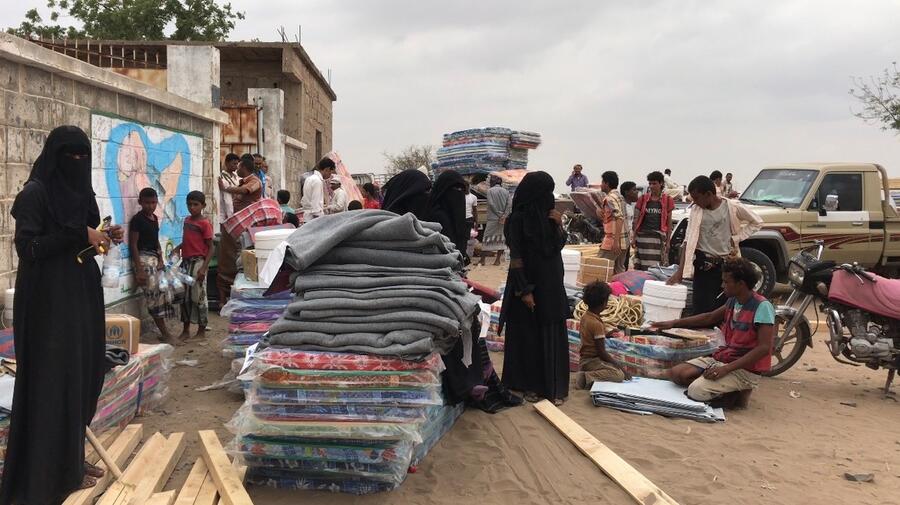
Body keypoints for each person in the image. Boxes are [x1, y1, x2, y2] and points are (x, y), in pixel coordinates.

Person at [0, 125, 124, 505]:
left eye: (83, 155)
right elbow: (30, 249)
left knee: (84, 375)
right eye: (70, 155)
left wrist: (104, 237)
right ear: (54, 157)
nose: (77, 162)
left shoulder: (83, 192)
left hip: (82, 297)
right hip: (48, 305)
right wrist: (80, 235)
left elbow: (86, 240)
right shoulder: (34, 194)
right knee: (53, 381)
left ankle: (72, 461)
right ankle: (50, 471)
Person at [653, 258, 774, 409]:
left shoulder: (762, 307)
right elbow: (709, 317)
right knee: (676, 374)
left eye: (726, 282)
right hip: (726, 359)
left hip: (745, 368)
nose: (722, 285)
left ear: (741, 284)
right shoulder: (734, 301)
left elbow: (764, 348)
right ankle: (724, 388)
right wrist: (674, 323)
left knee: (696, 391)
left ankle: (737, 392)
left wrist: (725, 369)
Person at [500, 171, 570, 405]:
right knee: (528, 337)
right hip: (527, 285)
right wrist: (524, 290)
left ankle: (551, 388)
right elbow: (516, 258)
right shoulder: (517, 219)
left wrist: (559, 225)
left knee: (550, 333)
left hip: (551, 286)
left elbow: (556, 246)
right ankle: (528, 385)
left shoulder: (549, 217)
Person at [667, 176, 763, 314]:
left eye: (697, 198)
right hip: (703, 267)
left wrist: (737, 238)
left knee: (723, 309)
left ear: (708, 194)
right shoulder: (696, 211)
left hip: (725, 267)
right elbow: (688, 242)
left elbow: (757, 222)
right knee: (701, 309)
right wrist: (680, 272)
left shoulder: (732, 207)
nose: (694, 202)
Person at [129, 187, 174, 342]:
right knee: (154, 297)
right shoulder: (137, 220)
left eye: (154, 203)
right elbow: (133, 245)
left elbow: (155, 241)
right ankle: (165, 333)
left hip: (155, 259)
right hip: (144, 260)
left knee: (162, 293)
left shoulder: (154, 218)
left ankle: (165, 332)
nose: (151, 206)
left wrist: (161, 259)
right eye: (147, 203)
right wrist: (139, 270)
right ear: (140, 202)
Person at [217, 157, 262, 303]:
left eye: (239, 165)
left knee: (241, 260)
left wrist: (226, 188)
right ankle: (225, 298)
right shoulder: (239, 180)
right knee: (228, 259)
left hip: (245, 227)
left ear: (244, 168)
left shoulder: (254, 181)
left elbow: (244, 190)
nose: (237, 168)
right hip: (235, 225)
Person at [174, 191, 214, 343]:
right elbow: (188, 240)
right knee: (184, 297)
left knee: (198, 297)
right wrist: (178, 247)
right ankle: (185, 330)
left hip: (198, 263)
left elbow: (211, 248)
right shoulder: (187, 221)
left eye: (195, 205)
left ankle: (201, 330)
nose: (192, 207)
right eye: (189, 204)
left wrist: (203, 268)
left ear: (203, 206)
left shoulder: (205, 224)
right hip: (186, 263)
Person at [575, 281, 630, 389]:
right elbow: (602, 353)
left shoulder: (586, 316)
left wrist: (606, 335)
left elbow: (591, 338)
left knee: (613, 367)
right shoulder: (596, 323)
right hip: (591, 360)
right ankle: (586, 377)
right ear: (603, 303)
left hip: (584, 359)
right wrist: (620, 367)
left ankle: (587, 373)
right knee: (618, 374)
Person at [632, 171, 676, 270]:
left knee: (656, 268)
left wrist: (668, 242)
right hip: (642, 238)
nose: (651, 186)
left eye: (654, 183)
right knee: (641, 267)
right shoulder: (643, 199)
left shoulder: (668, 200)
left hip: (658, 239)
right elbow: (636, 220)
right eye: (650, 183)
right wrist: (634, 237)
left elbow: (669, 223)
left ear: (661, 183)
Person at [425, 170, 470, 263]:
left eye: (461, 189)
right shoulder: (436, 216)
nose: (459, 193)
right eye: (455, 188)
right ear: (443, 190)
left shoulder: (454, 216)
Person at [597, 171, 627, 275]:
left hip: (612, 241)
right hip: (624, 241)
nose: (601, 185)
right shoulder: (620, 196)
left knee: (599, 269)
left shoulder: (609, 199)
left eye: (602, 182)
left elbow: (619, 218)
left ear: (607, 183)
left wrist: (615, 242)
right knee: (618, 272)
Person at [481, 174, 511, 266]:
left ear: (492, 182)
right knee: (501, 238)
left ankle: (482, 260)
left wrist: (498, 214)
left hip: (492, 218)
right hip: (503, 219)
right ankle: (497, 260)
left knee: (487, 238)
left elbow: (491, 204)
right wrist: (504, 215)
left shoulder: (490, 191)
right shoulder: (506, 191)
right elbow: (509, 204)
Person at [620, 181, 639, 268]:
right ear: (626, 192)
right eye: (634, 190)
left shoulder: (630, 206)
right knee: (622, 265)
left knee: (625, 264)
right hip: (622, 241)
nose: (637, 192)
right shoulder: (622, 206)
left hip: (628, 240)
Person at [218, 153, 240, 224]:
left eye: (237, 164)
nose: (236, 166)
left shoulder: (236, 176)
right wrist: (231, 216)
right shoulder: (222, 178)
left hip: (236, 208)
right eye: (234, 164)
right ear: (226, 163)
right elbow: (227, 200)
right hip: (226, 211)